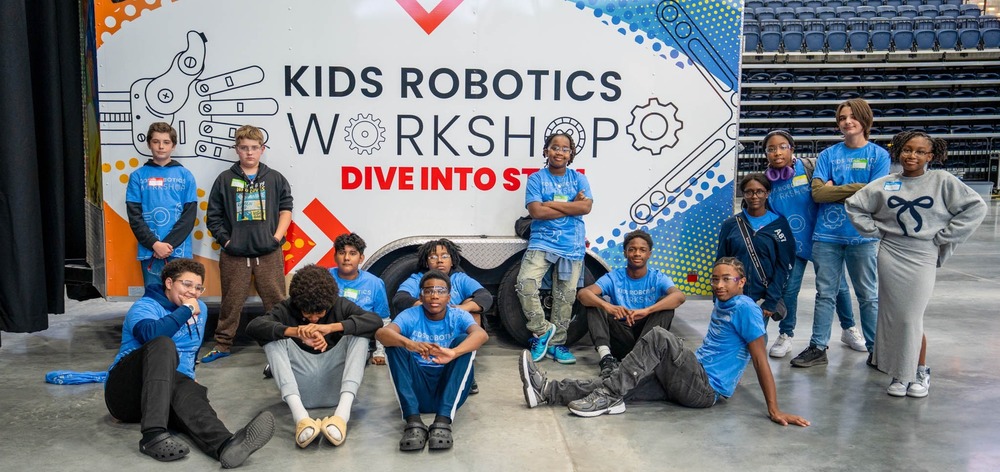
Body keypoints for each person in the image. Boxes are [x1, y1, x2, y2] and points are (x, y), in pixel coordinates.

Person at [519, 258, 809, 427]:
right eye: (715, 279)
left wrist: (774, 409)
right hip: (690, 377)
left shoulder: (745, 308)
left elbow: (759, 359)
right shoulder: (724, 304)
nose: (719, 285)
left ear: (741, 281)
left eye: (727, 280)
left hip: (705, 390)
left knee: (658, 338)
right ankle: (547, 391)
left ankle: (606, 397)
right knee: (624, 382)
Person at [846, 131, 986, 397]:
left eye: (920, 151)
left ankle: (919, 371)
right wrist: (875, 230)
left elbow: (976, 207)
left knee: (910, 318)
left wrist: (945, 236)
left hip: (922, 254)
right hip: (890, 253)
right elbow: (855, 205)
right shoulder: (886, 183)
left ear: (931, 156)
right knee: (892, 317)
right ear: (899, 151)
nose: (913, 155)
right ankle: (900, 373)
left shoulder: (943, 181)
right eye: (908, 150)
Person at [104, 259, 275, 467]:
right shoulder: (145, 307)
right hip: (124, 395)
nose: (193, 292)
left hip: (161, 393)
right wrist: (185, 310)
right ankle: (152, 435)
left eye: (198, 287)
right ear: (169, 283)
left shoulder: (199, 309)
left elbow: (190, 350)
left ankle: (226, 445)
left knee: (190, 393)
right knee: (163, 344)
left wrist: (189, 380)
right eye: (186, 284)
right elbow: (151, 335)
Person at [791, 98, 890, 368]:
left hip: (863, 236)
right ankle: (818, 346)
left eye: (852, 116)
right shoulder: (828, 155)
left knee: (867, 295)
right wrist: (857, 188)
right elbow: (818, 193)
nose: (846, 122)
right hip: (826, 236)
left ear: (865, 119)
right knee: (825, 294)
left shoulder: (879, 156)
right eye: (842, 117)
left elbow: (875, 195)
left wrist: (836, 190)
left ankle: (876, 350)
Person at [246, 264, 381, 447]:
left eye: (320, 313)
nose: (314, 319)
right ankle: (301, 419)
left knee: (360, 335)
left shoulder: (339, 304)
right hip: (298, 394)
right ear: (297, 304)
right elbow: (253, 327)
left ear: (330, 303)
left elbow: (375, 321)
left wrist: (332, 327)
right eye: (308, 313)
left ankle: (341, 417)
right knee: (272, 338)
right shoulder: (287, 308)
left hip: (339, 390)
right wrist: (295, 332)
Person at [761, 130, 866, 358]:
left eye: (782, 147)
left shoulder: (811, 168)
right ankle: (786, 334)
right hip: (791, 244)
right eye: (771, 149)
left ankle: (849, 329)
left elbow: (830, 192)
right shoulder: (767, 180)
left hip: (823, 237)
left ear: (792, 148)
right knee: (789, 289)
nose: (777, 152)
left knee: (838, 287)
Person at [204, 124, 294, 362]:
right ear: (237, 150)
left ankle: (283, 345)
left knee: (276, 301)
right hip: (235, 254)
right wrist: (228, 241)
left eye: (254, 148)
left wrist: (275, 239)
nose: (249, 153)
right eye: (244, 148)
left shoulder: (275, 178)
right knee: (231, 303)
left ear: (262, 149)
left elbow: (286, 209)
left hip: (269, 253)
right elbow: (213, 217)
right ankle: (222, 345)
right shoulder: (224, 180)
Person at [376, 270, 488, 451]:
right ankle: (413, 422)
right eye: (428, 291)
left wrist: (454, 353)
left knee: (464, 344)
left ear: (449, 296)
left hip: (449, 389)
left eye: (440, 291)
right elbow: (382, 333)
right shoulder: (411, 314)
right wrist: (409, 344)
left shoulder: (457, 315)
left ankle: (443, 421)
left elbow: (481, 335)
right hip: (417, 391)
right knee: (394, 344)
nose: (434, 296)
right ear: (421, 295)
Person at [516, 131, 593, 365]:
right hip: (542, 242)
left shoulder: (579, 179)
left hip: (572, 245)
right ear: (546, 151)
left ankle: (558, 345)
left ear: (571, 155)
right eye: (555, 147)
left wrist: (553, 204)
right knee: (525, 284)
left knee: (565, 297)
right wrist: (572, 205)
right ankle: (542, 330)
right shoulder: (536, 179)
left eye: (565, 149)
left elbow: (586, 208)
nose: (559, 152)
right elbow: (536, 212)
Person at [577, 229, 686, 378]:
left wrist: (647, 311)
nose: (637, 254)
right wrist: (609, 307)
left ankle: (644, 358)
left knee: (666, 306)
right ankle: (606, 359)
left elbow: (679, 296)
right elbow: (583, 294)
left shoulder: (657, 277)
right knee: (595, 303)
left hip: (646, 336)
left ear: (649, 254)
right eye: (632, 249)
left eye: (642, 250)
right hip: (621, 334)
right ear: (625, 253)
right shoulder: (614, 276)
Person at [392, 238, 491, 392]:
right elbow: (400, 298)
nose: (439, 261)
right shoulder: (417, 279)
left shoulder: (460, 279)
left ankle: (466, 367)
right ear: (426, 262)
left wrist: (461, 308)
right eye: (433, 257)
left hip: (453, 335)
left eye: (444, 256)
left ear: (452, 261)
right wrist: (430, 305)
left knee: (474, 307)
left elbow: (485, 296)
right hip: (424, 336)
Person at [715, 173, 796, 322]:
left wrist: (771, 300)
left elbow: (784, 266)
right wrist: (719, 297)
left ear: (767, 193)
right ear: (744, 194)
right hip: (733, 297)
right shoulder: (731, 224)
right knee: (732, 342)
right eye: (749, 192)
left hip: (762, 300)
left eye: (759, 191)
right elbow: (721, 262)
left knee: (755, 342)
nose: (754, 196)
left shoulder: (779, 224)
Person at [126, 122, 197, 287]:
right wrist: (155, 244)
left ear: (173, 146)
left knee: (182, 297)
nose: (161, 146)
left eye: (166, 142)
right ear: (149, 144)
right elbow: (134, 217)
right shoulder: (137, 176)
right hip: (150, 250)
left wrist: (168, 245)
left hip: (179, 251)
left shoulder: (185, 175)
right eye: (156, 141)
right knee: (155, 298)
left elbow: (189, 216)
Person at [329, 233, 391, 365]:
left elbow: (383, 320)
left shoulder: (375, 283)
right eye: (341, 253)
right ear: (335, 257)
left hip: (360, 341)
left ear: (361, 258)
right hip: (329, 341)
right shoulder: (325, 277)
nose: (346, 258)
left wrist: (379, 352)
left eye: (352, 253)